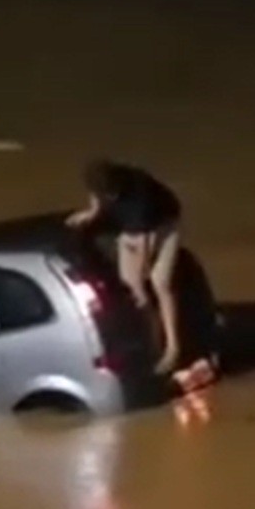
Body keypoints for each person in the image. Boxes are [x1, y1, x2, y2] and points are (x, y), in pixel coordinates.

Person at [65, 159, 185, 375]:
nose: (108, 198)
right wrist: (92, 213)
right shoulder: (98, 180)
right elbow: (95, 196)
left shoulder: (139, 196)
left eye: (111, 195)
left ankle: (172, 348)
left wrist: (141, 278)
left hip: (163, 223)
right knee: (130, 286)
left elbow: (145, 243)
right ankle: (151, 341)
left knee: (160, 283)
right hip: (133, 230)